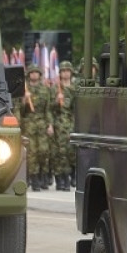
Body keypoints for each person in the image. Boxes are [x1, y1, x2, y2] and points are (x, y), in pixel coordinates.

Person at [45, 61, 76, 191]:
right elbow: (49, 109)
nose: (65, 73)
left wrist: (75, 127)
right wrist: (50, 125)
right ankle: (61, 180)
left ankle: (69, 177)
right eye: (63, 71)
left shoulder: (74, 89)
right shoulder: (54, 89)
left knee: (70, 152)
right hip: (57, 125)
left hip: (70, 124)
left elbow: (76, 110)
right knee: (58, 153)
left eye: (67, 71)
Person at [21, 65, 51, 191]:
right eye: (32, 72)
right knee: (32, 153)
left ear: (39, 75)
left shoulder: (45, 90)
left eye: (36, 72)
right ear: (29, 75)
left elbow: (48, 109)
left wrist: (50, 124)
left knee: (43, 151)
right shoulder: (24, 89)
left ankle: (43, 175)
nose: (34, 74)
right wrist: (24, 100)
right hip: (29, 125)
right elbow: (21, 111)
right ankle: (34, 179)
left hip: (42, 124)